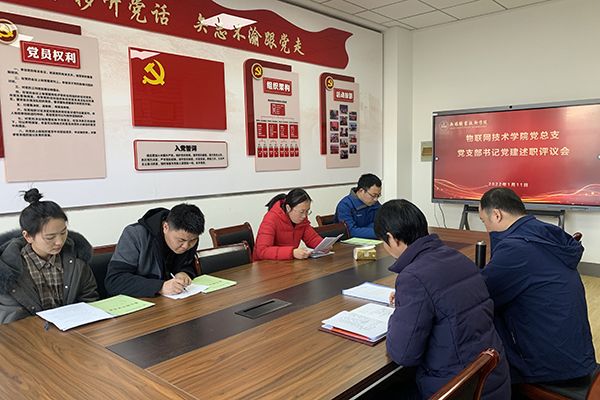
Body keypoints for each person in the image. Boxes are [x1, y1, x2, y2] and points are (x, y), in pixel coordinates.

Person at [374, 199, 510, 399]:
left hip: (457, 390)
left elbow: (403, 354)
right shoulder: (457, 257)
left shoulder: (413, 277)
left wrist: (397, 313)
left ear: (391, 238)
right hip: (493, 379)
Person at [479, 188, 596, 385]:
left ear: (497, 215)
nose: (487, 229)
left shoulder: (515, 249)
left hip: (549, 368)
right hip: (577, 354)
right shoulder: (545, 232)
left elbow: (481, 294)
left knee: (477, 315)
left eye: (484, 221)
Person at [0, 189, 98, 324]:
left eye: (63, 233)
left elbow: (89, 298)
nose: (59, 242)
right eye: (50, 237)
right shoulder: (7, 270)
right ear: (28, 236)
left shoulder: (76, 258)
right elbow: (11, 319)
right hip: (29, 333)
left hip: (74, 330)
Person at [105, 203, 204, 298]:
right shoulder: (135, 235)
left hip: (173, 301)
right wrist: (160, 287)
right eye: (181, 240)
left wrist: (183, 273)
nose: (186, 246)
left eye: (193, 240)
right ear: (165, 227)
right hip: (139, 302)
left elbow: (187, 264)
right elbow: (114, 281)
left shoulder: (189, 237)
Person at [254, 188, 324, 261]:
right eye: (301, 212)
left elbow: (312, 238)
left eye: (307, 211)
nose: (304, 216)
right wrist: (292, 252)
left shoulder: (302, 219)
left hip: (287, 263)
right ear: (288, 208)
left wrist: (325, 245)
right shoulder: (271, 218)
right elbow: (262, 251)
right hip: (265, 264)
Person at [334, 173, 381, 239]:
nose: (376, 199)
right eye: (373, 195)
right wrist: (379, 232)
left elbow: (382, 222)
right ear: (361, 191)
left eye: (378, 195)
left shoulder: (374, 203)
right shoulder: (345, 205)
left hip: (371, 240)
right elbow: (350, 231)